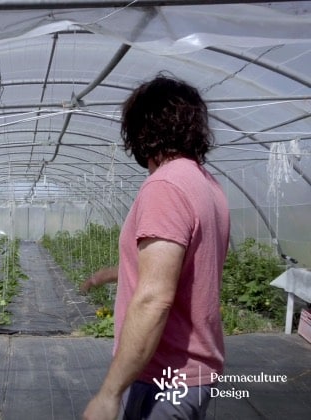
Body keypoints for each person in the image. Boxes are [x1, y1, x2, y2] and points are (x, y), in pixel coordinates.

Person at [81, 74, 230, 420]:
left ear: (140, 130)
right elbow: (184, 269)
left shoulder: (165, 186)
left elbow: (154, 299)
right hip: (192, 375)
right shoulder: (206, 185)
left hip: (166, 380)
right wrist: (118, 272)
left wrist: (109, 393)